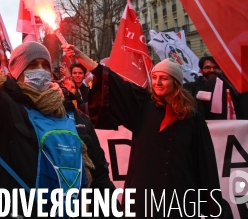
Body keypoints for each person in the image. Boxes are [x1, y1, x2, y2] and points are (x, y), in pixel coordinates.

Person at [0, 6, 116, 218]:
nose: (41, 70)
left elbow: (99, 175)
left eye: (45, 65)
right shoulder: (7, 112)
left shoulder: (76, 118)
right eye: (32, 65)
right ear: (17, 73)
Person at [64, 43, 229, 218]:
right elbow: (116, 85)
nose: (157, 82)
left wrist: (212, 206)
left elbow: (204, 162)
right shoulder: (143, 106)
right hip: (144, 195)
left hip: (180, 196)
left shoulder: (193, 118)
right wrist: (86, 61)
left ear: (176, 82)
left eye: (163, 78)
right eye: (154, 77)